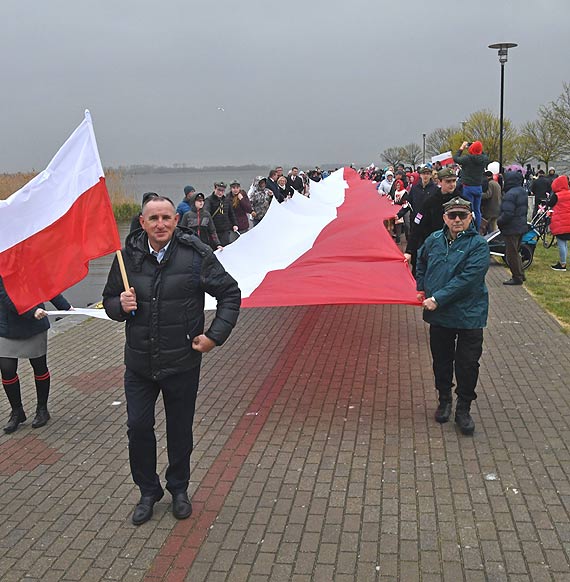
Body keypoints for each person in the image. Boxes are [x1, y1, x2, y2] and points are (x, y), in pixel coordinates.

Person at [103, 195, 240, 526]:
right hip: (139, 364)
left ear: (175, 221)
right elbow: (109, 302)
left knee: (180, 431)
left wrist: (214, 337)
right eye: (154, 219)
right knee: (138, 428)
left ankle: (179, 488)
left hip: (181, 362)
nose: (161, 223)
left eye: (166, 217)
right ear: (142, 223)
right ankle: (148, 492)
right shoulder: (126, 258)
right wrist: (119, 305)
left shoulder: (196, 255)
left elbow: (230, 294)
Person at [416, 197, 489, 435]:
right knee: (442, 360)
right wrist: (421, 287)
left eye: (462, 216)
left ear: (470, 217)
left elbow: (468, 279)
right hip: (440, 315)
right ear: (444, 218)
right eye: (452, 216)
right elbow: (421, 260)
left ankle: (463, 409)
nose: (457, 220)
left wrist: (437, 298)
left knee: (467, 363)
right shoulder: (434, 240)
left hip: (469, 313)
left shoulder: (478, 245)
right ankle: (444, 400)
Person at [0, 280, 72, 433]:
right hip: (7, 324)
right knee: (7, 369)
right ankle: (17, 411)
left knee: (39, 366)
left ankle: (42, 409)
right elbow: (6, 296)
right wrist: (31, 310)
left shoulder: (30, 261)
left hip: (34, 325)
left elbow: (46, 286)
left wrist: (66, 307)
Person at [404, 167, 460, 274]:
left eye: (454, 181)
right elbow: (417, 226)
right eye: (448, 181)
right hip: (434, 248)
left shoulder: (462, 201)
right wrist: (409, 250)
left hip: (456, 249)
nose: (452, 184)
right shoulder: (431, 202)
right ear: (440, 182)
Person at [497, 171, 529, 285]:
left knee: (511, 254)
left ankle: (517, 277)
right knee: (516, 251)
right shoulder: (522, 192)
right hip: (520, 225)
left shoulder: (510, 194)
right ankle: (521, 274)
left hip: (511, 227)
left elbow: (508, 213)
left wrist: (499, 222)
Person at [452, 141, 490, 230]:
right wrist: (478, 148)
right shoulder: (483, 159)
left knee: (469, 210)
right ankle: (477, 228)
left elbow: (456, 158)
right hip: (478, 187)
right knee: (477, 210)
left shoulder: (467, 159)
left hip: (468, 187)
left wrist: (461, 148)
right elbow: (484, 155)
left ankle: (469, 228)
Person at [547, 175, 570, 271]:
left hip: (560, 222)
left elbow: (550, 204)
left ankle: (563, 264)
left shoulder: (557, 195)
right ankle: (563, 262)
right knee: (565, 244)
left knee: (561, 243)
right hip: (568, 221)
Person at [204, 182, 239, 246]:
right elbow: (206, 214)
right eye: (219, 190)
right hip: (214, 231)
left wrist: (235, 224)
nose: (220, 193)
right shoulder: (209, 200)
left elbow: (231, 214)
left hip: (225, 230)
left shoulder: (226, 200)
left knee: (225, 247)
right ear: (215, 189)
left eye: (222, 191)